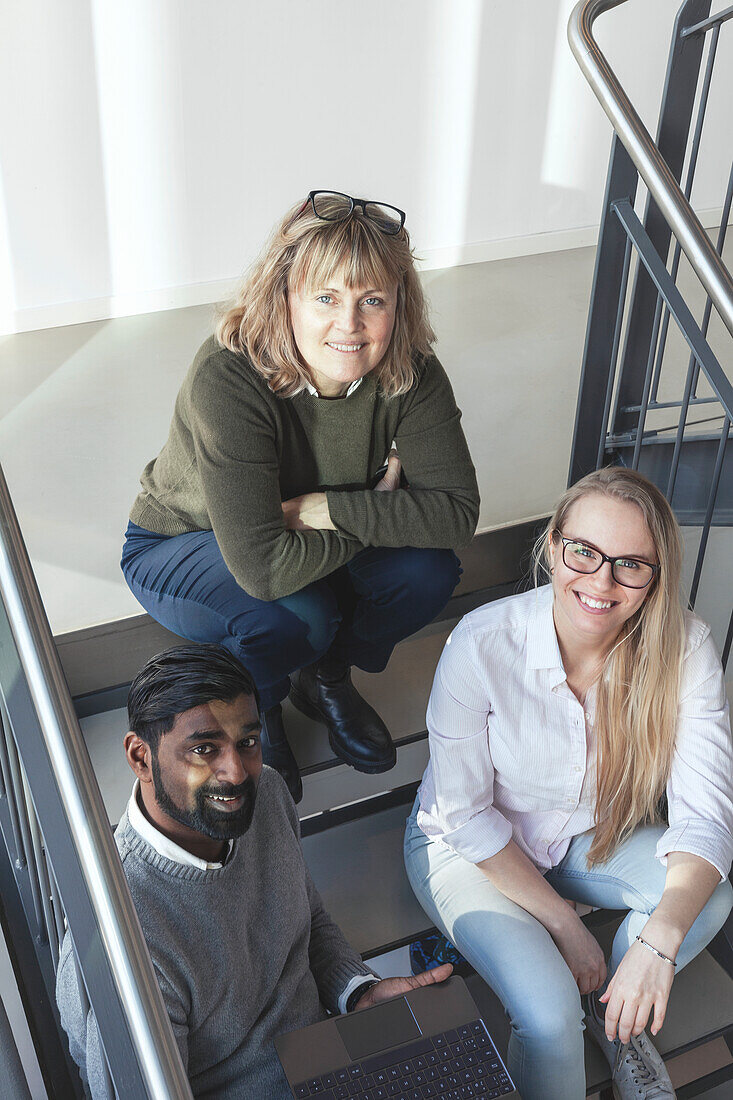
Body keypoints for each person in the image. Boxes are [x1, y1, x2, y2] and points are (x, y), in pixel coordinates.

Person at [121, 190, 479, 804]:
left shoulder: (410, 369)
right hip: (185, 541)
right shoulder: (229, 375)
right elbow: (261, 568)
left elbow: (456, 514)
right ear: (285, 295)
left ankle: (327, 676)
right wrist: (378, 508)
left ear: (399, 304)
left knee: (426, 571)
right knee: (296, 609)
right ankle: (261, 707)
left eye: (373, 300)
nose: (350, 324)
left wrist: (332, 509)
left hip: (307, 531)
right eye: (326, 297)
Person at [403, 467, 733, 1100]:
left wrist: (655, 949)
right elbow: (464, 817)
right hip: (469, 850)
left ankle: (621, 1018)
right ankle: (596, 1000)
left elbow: (706, 821)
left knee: (705, 901)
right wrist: (566, 927)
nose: (601, 583)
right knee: (551, 1018)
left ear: (655, 578)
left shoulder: (685, 650)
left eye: (631, 564)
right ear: (552, 545)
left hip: (583, 839)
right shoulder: (481, 643)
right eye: (583, 552)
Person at [56, 644, 451, 1099]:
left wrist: (357, 991)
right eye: (204, 749)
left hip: (331, 1063)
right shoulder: (122, 938)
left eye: (247, 741)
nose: (237, 772)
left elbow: (309, 922)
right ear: (141, 758)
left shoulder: (266, 796)